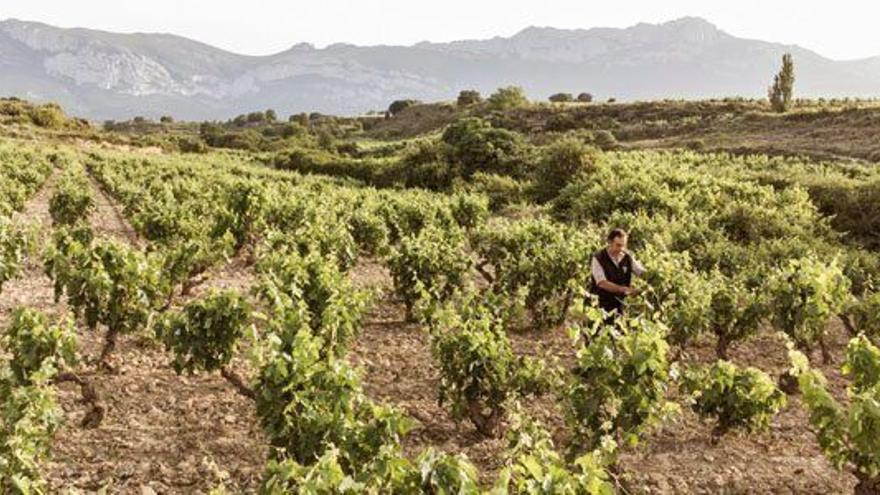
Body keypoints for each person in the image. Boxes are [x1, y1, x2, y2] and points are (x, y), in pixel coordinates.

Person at [589, 228, 646, 318]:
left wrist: (652, 277)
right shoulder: (598, 258)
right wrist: (625, 290)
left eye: (623, 245)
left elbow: (641, 272)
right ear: (609, 242)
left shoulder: (627, 257)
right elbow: (602, 283)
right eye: (618, 245)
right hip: (600, 305)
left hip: (618, 304)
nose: (621, 249)